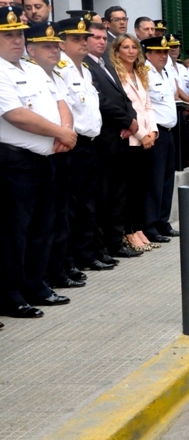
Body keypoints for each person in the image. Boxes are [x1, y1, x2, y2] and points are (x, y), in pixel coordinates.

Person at [0, 10, 76, 319]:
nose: (16, 40)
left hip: (46, 159)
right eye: (8, 35)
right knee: (13, 233)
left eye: (19, 34)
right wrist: (60, 133)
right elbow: (15, 115)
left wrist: (66, 131)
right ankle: (10, 294)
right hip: (14, 163)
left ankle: (35, 285)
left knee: (42, 229)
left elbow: (61, 102)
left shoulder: (32, 69)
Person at [25, 21, 80, 296]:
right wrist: (61, 134)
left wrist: (66, 132)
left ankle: (56, 270)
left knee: (60, 216)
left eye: (56, 47)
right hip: (35, 154)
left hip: (59, 149)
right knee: (39, 224)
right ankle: (44, 276)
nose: (54, 51)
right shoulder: (28, 73)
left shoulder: (54, 76)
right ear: (31, 49)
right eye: (47, 47)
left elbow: (64, 107)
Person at [55, 16, 108, 277]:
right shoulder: (61, 70)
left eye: (84, 38)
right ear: (62, 43)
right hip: (72, 145)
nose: (83, 43)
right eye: (76, 39)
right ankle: (69, 259)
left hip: (90, 144)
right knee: (71, 206)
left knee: (88, 202)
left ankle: (87, 254)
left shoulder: (85, 70)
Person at [85, 21, 140, 261]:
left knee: (119, 194)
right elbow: (101, 101)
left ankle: (115, 242)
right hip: (104, 139)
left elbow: (124, 97)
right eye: (95, 37)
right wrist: (127, 121)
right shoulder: (86, 65)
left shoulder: (106, 64)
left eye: (102, 38)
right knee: (103, 195)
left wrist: (132, 119)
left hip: (120, 138)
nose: (101, 41)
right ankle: (101, 246)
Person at [111, 33, 157, 253]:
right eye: (125, 47)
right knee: (127, 190)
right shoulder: (116, 74)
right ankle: (128, 231)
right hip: (130, 137)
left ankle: (138, 228)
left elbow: (148, 105)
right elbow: (124, 109)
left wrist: (153, 131)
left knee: (140, 187)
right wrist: (141, 134)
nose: (131, 51)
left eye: (134, 47)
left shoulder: (140, 73)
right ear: (117, 51)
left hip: (146, 137)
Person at [141, 36, 179, 244]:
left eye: (165, 52)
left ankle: (163, 221)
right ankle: (150, 225)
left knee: (167, 180)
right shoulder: (144, 72)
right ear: (148, 54)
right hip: (155, 132)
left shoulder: (166, 71)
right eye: (158, 52)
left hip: (169, 131)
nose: (163, 56)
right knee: (153, 182)